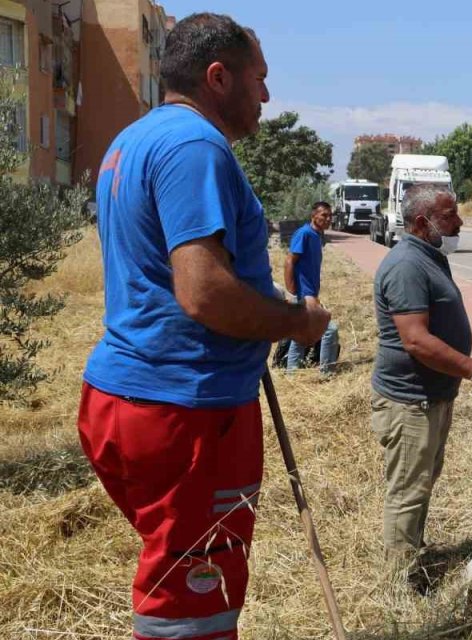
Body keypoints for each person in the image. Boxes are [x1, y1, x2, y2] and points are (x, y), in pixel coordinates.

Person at [77, 14, 330, 640]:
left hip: (126, 395)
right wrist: (298, 321)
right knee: (193, 600)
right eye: (259, 79)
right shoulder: (196, 146)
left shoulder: (131, 141)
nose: (266, 96)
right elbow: (204, 292)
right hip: (187, 410)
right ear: (218, 77)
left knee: (177, 573)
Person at [371, 183, 472, 582]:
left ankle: (411, 554)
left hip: (430, 398)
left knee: (421, 483)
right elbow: (416, 339)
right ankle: (399, 582)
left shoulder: (428, 257)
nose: (459, 221)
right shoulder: (406, 266)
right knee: (408, 492)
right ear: (422, 221)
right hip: (409, 402)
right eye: (450, 215)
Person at [284, 201, 341, 374]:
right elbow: (289, 262)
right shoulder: (305, 234)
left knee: (302, 331)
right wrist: (292, 291)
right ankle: (326, 372)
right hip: (304, 294)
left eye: (330, 215)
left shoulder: (317, 236)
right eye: (324, 215)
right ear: (313, 215)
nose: (328, 218)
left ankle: (292, 373)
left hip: (310, 293)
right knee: (329, 329)